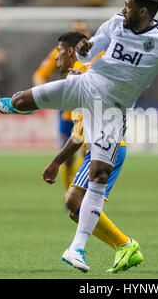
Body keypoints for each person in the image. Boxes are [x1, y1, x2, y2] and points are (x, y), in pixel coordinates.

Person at [0, 0, 158, 272]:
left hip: (112, 110)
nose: (123, 8)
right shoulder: (116, 22)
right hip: (85, 86)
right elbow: (88, 57)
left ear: (142, 11)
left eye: (128, 5)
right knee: (22, 100)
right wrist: (82, 50)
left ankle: (77, 248)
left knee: (99, 174)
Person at [40, 31, 143, 272]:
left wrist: (55, 162)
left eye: (59, 52)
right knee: (75, 209)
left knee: (73, 201)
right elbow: (78, 133)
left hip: (106, 148)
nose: (56, 58)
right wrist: (56, 162)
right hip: (99, 148)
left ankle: (119, 245)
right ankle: (124, 245)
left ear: (71, 52)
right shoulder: (78, 81)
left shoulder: (88, 75)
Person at [33, 20, 97, 190]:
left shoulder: (100, 52)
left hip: (90, 110)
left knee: (88, 152)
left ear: (89, 33)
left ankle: (80, 194)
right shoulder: (60, 52)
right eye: (76, 30)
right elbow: (40, 75)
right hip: (68, 111)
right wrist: (45, 96)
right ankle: (70, 194)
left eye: (83, 30)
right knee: (67, 158)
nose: (80, 33)